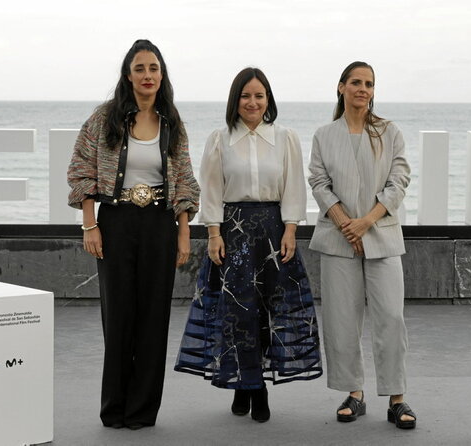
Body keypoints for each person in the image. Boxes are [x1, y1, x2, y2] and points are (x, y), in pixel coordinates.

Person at [175, 67, 322, 423]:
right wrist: (213, 234)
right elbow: (210, 189)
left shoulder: (286, 137)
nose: (252, 102)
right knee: (238, 312)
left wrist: (291, 231)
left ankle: (256, 387)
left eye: (259, 95)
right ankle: (247, 385)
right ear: (235, 100)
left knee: (269, 312)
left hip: (273, 234)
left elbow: (293, 189)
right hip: (234, 234)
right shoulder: (219, 139)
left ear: (268, 99)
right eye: (245, 95)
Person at [67, 39, 200, 430]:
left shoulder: (171, 122)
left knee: (154, 317)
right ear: (128, 74)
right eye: (140, 68)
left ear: (162, 75)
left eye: (153, 68)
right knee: (119, 315)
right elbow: (80, 171)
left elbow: (186, 182)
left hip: (159, 223)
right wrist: (90, 224)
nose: (147, 75)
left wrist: (183, 232)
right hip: (115, 223)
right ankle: (115, 409)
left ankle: (142, 412)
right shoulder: (104, 118)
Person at [308, 61, 416, 429]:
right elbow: (319, 182)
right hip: (338, 240)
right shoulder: (325, 135)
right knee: (341, 320)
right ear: (341, 87)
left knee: (391, 317)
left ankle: (397, 398)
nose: (363, 89)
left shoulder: (390, 132)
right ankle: (354, 393)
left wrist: (366, 222)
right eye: (356, 82)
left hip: (382, 236)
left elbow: (399, 179)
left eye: (369, 84)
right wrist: (345, 224)